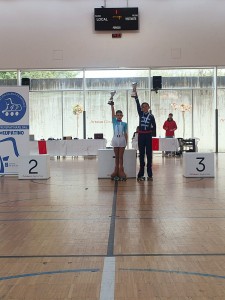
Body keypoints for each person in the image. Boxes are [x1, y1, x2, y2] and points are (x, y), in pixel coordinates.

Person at [133, 93, 156, 181]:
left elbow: (154, 126)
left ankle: (149, 174)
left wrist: (152, 133)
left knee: (149, 154)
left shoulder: (151, 116)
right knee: (141, 154)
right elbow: (137, 106)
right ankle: (141, 174)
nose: (144, 108)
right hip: (141, 135)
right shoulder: (141, 114)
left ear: (149, 107)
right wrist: (136, 97)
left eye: (146, 106)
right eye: (143, 107)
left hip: (148, 136)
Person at [109, 101, 128, 180]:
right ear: (116, 116)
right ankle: (115, 171)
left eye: (120, 115)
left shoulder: (124, 124)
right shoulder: (114, 122)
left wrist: (126, 142)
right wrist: (112, 106)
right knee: (116, 157)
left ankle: (121, 171)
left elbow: (126, 133)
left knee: (121, 157)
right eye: (118, 115)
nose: (119, 116)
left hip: (122, 139)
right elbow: (112, 113)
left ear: (122, 116)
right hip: (115, 139)